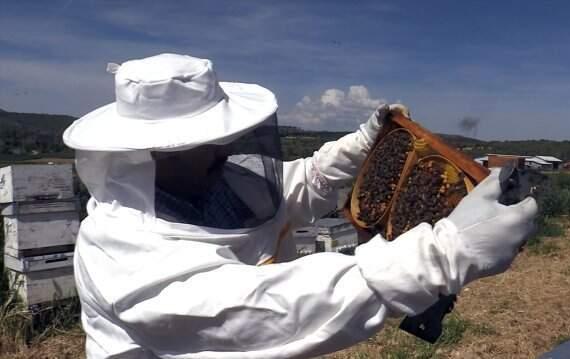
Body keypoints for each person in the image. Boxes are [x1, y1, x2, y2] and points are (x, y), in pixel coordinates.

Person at [63, 53, 537, 359]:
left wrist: (363, 144)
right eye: (203, 143)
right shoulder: (118, 251)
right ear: (152, 152)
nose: (224, 151)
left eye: (222, 137)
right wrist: (437, 257)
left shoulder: (218, 182)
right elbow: (258, 312)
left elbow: (301, 183)